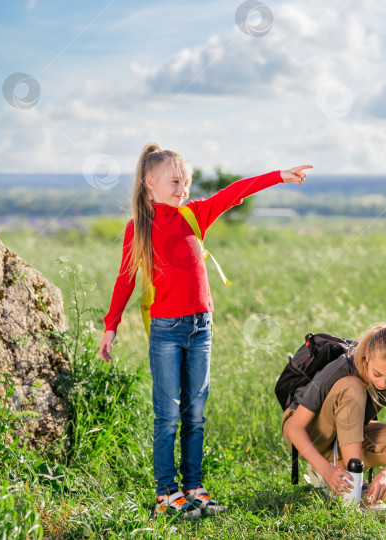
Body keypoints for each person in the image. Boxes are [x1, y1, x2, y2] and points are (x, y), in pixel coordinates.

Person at [98, 141, 311, 519]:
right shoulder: (139, 228)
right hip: (165, 332)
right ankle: (166, 493)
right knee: (167, 416)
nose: (183, 190)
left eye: (187, 182)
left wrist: (280, 176)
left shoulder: (195, 215)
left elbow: (234, 192)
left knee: (195, 415)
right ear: (149, 182)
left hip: (201, 328)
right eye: (175, 182)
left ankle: (194, 488)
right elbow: (124, 280)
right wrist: (110, 327)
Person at [281, 324, 386, 510]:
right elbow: (295, 428)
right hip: (306, 432)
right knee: (353, 386)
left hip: (343, 436)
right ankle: (352, 488)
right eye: (377, 374)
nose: (382, 383)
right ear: (367, 355)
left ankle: (340, 468)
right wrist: (326, 470)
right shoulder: (342, 366)